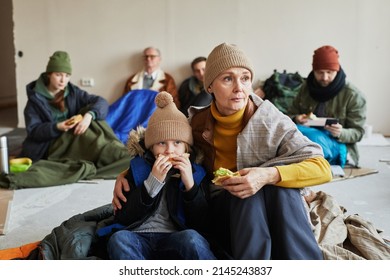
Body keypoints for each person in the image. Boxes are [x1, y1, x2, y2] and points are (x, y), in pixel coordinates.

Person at [113, 43, 332, 260]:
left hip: (269, 198)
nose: (239, 88)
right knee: (245, 193)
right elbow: (161, 140)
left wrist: (268, 175)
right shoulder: (197, 123)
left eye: (245, 78)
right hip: (223, 208)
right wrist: (127, 173)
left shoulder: (270, 120)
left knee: (282, 189)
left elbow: (322, 168)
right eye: (228, 79)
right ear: (210, 86)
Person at [107, 91, 216, 260]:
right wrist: (152, 183)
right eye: (161, 143)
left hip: (175, 237)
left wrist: (190, 186)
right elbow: (124, 217)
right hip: (138, 236)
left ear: (187, 148)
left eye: (177, 143)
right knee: (118, 239)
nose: (169, 150)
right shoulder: (137, 168)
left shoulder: (197, 173)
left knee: (193, 239)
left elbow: (202, 223)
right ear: (151, 147)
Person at [19, 50, 110, 162]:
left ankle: (116, 152)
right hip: (50, 145)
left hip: (73, 136)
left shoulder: (72, 92)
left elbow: (102, 102)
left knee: (95, 120)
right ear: (49, 74)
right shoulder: (35, 100)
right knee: (98, 146)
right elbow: (34, 131)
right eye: (58, 75)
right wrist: (57, 127)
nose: (63, 80)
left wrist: (89, 116)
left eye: (67, 76)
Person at [289, 45, 367, 167]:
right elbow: (288, 116)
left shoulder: (353, 95)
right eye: (320, 73)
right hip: (305, 135)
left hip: (337, 142)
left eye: (329, 72)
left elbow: (359, 132)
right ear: (313, 71)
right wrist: (296, 118)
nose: (325, 78)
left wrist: (341, 132)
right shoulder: (305, 88)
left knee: (312, 141)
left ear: (337, 70)